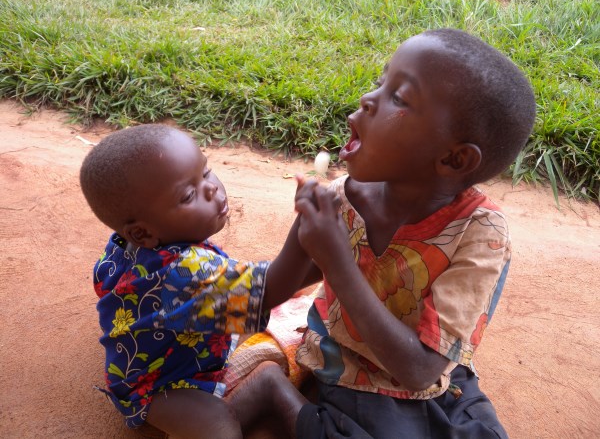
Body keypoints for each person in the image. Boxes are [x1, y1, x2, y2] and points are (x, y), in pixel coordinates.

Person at [287, 28, 536, 437]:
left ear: (454, 159)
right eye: (382, 82)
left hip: (436, 381)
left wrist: (335, 261)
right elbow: (285, 280)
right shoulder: (340, 200)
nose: (368, 99)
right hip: (347, 369)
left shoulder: (480, 233)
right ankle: (275, 398)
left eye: (399, 98)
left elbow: (421, 370)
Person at [80, 124, 320, 438]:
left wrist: (328, 262)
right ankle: (265, 390)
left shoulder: (125, 245)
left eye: (206, 172)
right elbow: (269, 290)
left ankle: (269, 386)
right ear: (142, 232)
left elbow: (104, 280)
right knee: (217, 426)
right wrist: (305, 229)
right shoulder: (184, 273)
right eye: (189, 194)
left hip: (172, 345)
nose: (213, 189)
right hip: (158, 385)